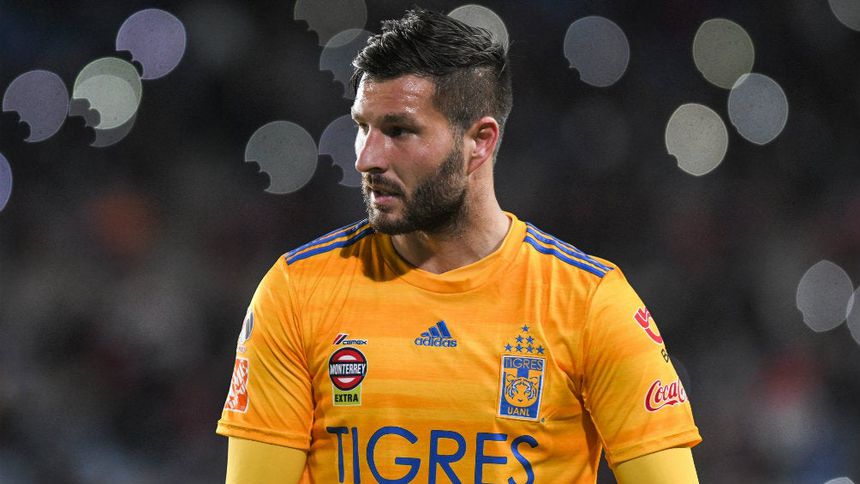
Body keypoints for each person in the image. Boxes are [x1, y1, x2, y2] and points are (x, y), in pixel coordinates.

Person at [217, 7, 701, 483]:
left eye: (398, 130)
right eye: (363, 127)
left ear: (479, 142)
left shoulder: (589, 303)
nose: (366, 158)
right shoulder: (296, 293)